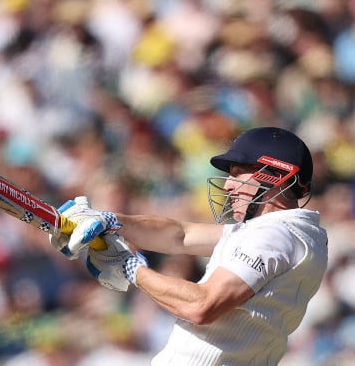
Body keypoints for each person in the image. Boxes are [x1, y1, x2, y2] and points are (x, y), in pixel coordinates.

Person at [50, 126, 328, 365]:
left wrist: (131, 268)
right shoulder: (295, 234)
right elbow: (180, 235)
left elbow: (202, 305)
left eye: (238, 173)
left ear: (276, 175)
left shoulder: (273, 236)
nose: (228, 185)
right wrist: (110, 220)